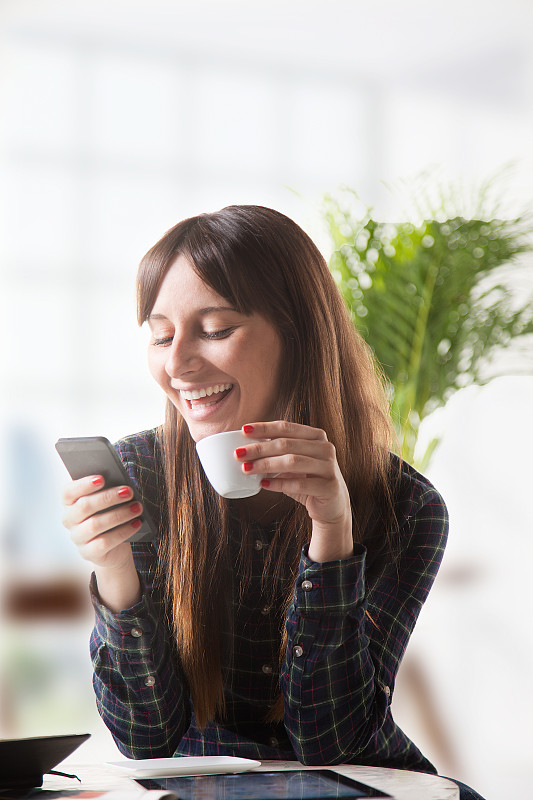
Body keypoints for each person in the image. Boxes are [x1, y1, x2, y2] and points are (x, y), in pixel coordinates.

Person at [61, 205, 484, 800]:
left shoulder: (406, 506)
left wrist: (331, 532)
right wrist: (113, 569)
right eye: (160, 335)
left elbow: (330, 742)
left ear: (298, 334)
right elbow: (144, 737)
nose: (176, 363)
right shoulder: (140, 475)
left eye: (214, 329)